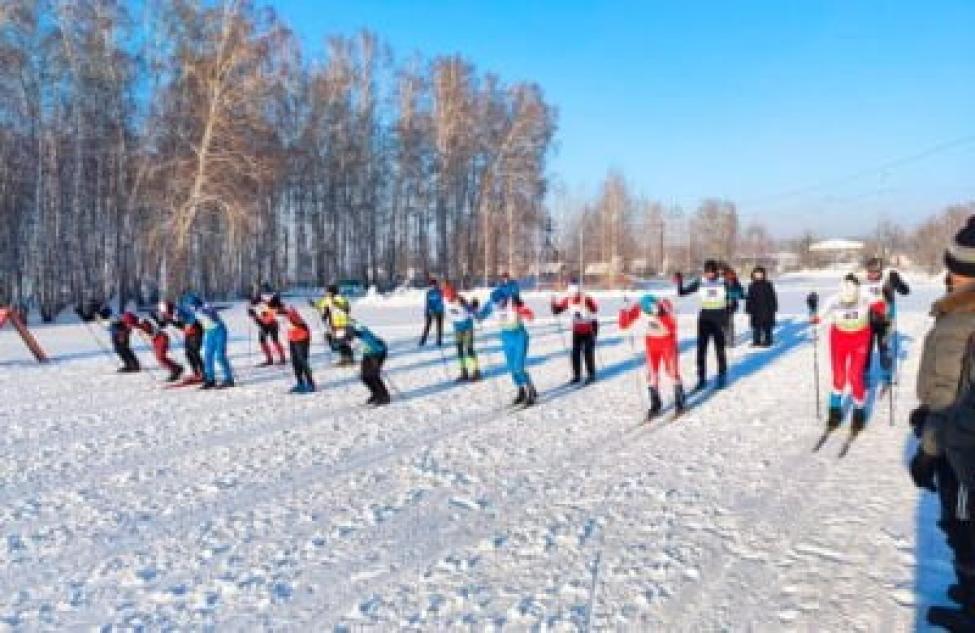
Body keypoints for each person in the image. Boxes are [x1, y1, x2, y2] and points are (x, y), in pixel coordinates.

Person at [909, 217, 975, 628]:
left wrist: (928, 453)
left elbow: (953, 404)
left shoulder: (962, 323)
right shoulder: (959, 314)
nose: (946, 274)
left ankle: (973, 608)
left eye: (951, 267)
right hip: (959, 438)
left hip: (963, 452)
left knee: (963, 527)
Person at [810, 274, 874, 432]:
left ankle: (859, 411)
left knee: (854, 376)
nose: (848, 295)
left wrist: (887, 298)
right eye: (845, 290)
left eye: (852, 290)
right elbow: (817, 319)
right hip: (839, 339)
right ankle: (835, 411)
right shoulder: (833, 299)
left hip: (860, 338)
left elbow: (881, 306)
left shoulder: (866, 295)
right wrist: (812, 309)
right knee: (839, 377)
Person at [619, 294, 685, 419]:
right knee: (651, 375)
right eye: (648, 312)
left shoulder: (665, 304)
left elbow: (672, 326)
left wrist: (661, 314)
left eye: (653, 311)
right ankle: (656, 403)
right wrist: (623, 311)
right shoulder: (640, 307)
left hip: (667, 343)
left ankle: (680, 401)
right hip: (651, 344)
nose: (651, 314)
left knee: (672, 372)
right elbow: (624, 324)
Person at [676, 259, 737, 390]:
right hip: (704, 319)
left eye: (712, 271)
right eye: (708, 272)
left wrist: (729, 311)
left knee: (720, 349)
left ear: (716, 271)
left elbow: (736, 296)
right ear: (704, 272)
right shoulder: (700, 282)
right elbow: (682, 292)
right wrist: (680, 281)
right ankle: (701, 379)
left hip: (719, 319)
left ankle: (722, 377)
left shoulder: (723, 282)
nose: (710, 274)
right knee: (701, 350)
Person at [477, 283, 537, 406]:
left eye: (500, 302)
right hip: (506, 337)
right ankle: (521, 391)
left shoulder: (513, 303)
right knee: (511, 368)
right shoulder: (492, 303)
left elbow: (530, 315)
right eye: (496, 302)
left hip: (519, 336)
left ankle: (531, 390)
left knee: (518, 367)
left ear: (505, 298)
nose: (498, 305)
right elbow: (480, 316)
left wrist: (526, 313)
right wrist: (473, 311)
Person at [862, 256, 910, 385]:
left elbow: (905, 291)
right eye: (870, 271)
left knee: (885, 349)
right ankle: (865, 374)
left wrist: (898, 283)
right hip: (867, 322)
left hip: (886, 321)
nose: (872, 274)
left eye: (875, 271)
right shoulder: (863, 283)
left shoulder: (888, 280)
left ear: (880, 270)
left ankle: (886, 375)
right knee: (866, 349)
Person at [181, 293, 234, 389]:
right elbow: (189, 320)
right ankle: (210, 380)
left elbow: (213, 315)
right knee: (207, 356)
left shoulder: (206, 306)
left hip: (219, 330)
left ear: (195, 303)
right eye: (188, 306)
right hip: (209, 333)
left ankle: (229, 379)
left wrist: (203, 311)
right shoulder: (194, 311)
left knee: (220, 356)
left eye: (191, 305)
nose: (190, 308)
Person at [550, 282, 599, 385]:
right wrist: (553, 305)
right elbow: (558, 310)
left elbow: (595, 309)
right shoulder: (568, 300)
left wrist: (588, 303)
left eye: (574, 293)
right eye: (570, 293)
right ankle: (577, 375)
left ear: (578, 291)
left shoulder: (586, 298)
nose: (572, 295)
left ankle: (591, 375)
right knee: (575, 353)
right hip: (577, 329)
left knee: (588, 352)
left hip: (590, 328)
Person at [75, 302, 140, 372]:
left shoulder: (105, 312)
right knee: (123, 348)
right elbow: (88, 318)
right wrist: (80, 312)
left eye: (91, 309)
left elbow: (112, 319)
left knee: (121, 349)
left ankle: (131, 365)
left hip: (120, 331)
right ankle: (134, 365)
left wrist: (122, 332)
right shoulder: (102, 311)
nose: (90, 311)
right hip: (118, 331)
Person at [155, 300, 205, 384]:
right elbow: (163, 324)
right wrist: (156, 319)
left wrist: (176, 322)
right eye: (163, 312)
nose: (164, 314)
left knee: (194, 352)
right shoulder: (169, 314)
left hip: (196, 331)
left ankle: (204, 373)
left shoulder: (178, 311)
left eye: (164, 311)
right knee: (188, 353)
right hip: (188, 333)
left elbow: (189, 319)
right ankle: (196, 373)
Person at [444, 284, 481, 381]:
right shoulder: (446, 301)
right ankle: (464, 371)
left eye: (450, 296)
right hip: (457, 328)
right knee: (459, 350)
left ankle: (475, 371)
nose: (449, 299)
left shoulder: (461, 300)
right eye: (447, 297)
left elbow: (471, 310)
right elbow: (448, 313)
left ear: (453, 294)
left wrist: (474, 305)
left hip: (467, 327)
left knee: (468, 349)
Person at [349, 320, 390, 406]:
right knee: (364, 377)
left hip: (377, 353)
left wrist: (374, 360)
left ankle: (384, 396)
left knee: (373, 375)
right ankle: (376, 394)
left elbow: (376, 347)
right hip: (368, 353)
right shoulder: (352, 335)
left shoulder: (365, 336)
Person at [313, 285, 354, 366]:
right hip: (334, 324)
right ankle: (344, 358)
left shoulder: (341, 298)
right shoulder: (327, 299)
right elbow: (320, 304)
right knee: (338, 342)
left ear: (333, 292)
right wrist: (314, 304)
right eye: (327, 292)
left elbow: (347, 308)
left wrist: (338, 305)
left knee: (343, 342)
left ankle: (349, 358)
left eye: (328, 292)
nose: (327, 293)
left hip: (343, 323)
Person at [280, 304, 315, 393]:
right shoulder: (275, 311)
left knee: (302, 360)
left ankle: (311, 384)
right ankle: (300, 383)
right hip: (292, 337)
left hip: (302, 336)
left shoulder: (290, 311)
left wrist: (288, 318)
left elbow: (301, 325)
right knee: (295, 361)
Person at [136, 317, 183, 382]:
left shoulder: (143, 323)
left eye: (129, 324)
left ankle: (176, 370)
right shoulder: (139, 324)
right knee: (159, 357)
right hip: (156, 339)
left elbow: (151, 331)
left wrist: (143, 331)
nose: (129, 326)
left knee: (161, 357)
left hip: (161, 338)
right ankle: (177, 368)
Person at [248, 288, 286, 366]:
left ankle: (282, 358)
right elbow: (252, 308)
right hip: (263, 323)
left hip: (272, 323)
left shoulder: (271, 300)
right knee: (262, 341)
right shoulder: (257, 300)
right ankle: (269, 359)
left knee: (274, 340)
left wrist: (268, 310)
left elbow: (277, 308)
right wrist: (251, 312)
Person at [745, 266, 778, 347]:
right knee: (756, 327)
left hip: (767, 309)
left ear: (763, 274)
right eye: (757, 274)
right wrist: (748, 307)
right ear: (753, 275)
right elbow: (749, 298)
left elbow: (772, 296)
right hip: (755, 309)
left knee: (767, 326)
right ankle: (756, 341)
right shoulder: (751, 285)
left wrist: (774, 307)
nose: (758, 275)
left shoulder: (768, 284)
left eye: (760, 274)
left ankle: (768, 340)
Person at [722, 264, 745, 347]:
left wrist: (738, 295)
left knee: (730, 323)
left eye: (731, 275)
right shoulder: (721, 283)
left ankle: (730, 342)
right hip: (721, 307)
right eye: (727, 275)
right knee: (723, 324)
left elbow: (742, 294)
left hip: (732, 306)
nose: (729, 276)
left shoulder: (736, 283)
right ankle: (723, 340)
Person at [419, 277, 444, 347]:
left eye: (434, 284)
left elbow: (440, 302)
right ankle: (423, 340)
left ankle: (439, 340)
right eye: (432, 285)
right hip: (430, 312)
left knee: (439, 326)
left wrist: (438, 309)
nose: (433, 286)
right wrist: (429, 310)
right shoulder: (429, 293)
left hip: (439, 311)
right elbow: (428, 303)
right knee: (427, 326)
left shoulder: (440, 291)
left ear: (436, 284)